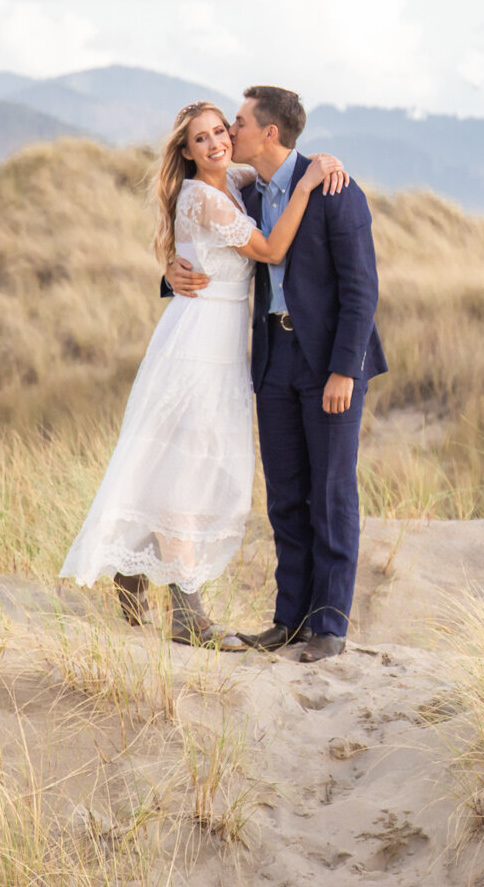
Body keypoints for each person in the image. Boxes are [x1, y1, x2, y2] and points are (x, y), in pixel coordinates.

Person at [59, 101, 345, 648]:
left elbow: (270, 168)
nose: (216, 143)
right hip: (195, 344)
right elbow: (271, 249)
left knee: (189, 462)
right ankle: (187, 614)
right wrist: (308, 187)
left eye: (221, 131)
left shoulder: (233, 181)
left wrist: (317, 163)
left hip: (222, 346)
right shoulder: (201, 198)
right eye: (201, 139)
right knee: (188, 469)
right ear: (186, 151)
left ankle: (135, 567)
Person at [165, 86, 385, 663]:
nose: (228, 133)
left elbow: (362, 290)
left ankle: (329, 627)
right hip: (271, 357)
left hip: (329, 361)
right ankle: (290, 621)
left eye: (236, 123)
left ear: (269, 132)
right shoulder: (245, 192)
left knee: (330, 492)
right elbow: (207, 243)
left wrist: (344, 370)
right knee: (286, 496)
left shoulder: (334, 188)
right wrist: (171, 274)